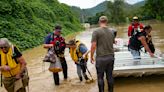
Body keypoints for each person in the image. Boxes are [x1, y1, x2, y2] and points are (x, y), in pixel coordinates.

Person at [90, 16, 116, 92]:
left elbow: (93, 45)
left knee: (100, 77)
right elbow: (114, 42)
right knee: (110, 76)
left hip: (101, 58)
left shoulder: (96, 31)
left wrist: (91, 56)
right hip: (111, 57)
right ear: (106, 22)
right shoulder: (111, 31)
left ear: (99, 22)